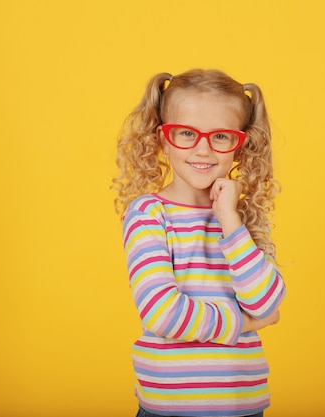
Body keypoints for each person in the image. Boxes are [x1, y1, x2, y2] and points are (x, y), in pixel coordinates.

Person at [112, 68, 286, 417]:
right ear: (162, 138)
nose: (203, 149)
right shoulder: (149, 214)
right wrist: (245, 324)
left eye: (220, 136)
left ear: (240, 144)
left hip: (245, 407)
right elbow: (163, 314)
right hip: (168, 408)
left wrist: (229, 219)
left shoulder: (239, 217)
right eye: (187, 133)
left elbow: (267, 304)